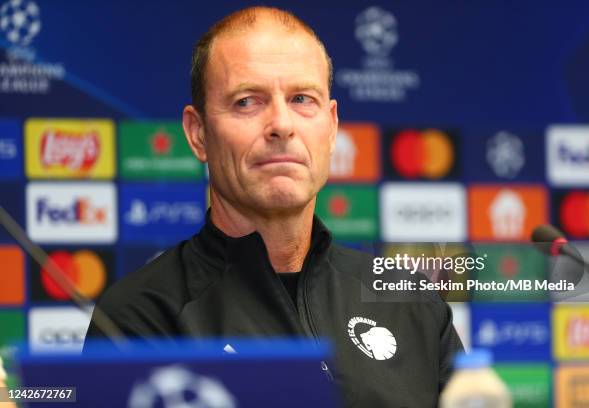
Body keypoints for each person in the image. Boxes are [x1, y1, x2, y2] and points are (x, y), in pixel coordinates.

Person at [86, 6, 463, 406]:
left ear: (332, 127)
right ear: (198, 134)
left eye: (302, 98)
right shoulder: (139, 319)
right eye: (247, 101)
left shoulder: (411, 303)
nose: (281, 124)